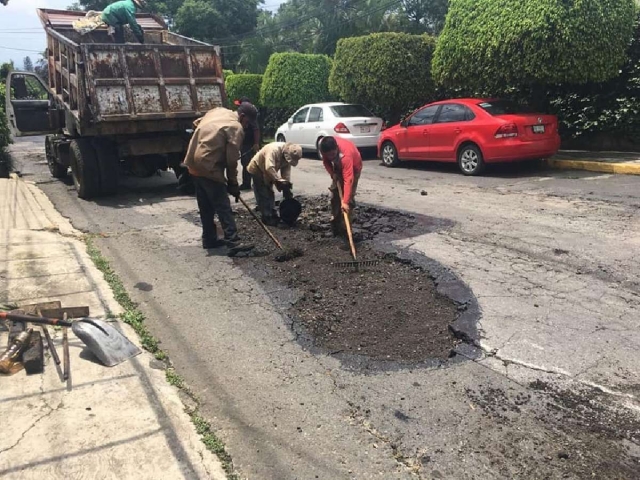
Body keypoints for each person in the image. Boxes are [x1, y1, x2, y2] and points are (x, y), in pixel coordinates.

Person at [183, 103, 259, 249]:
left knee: (205, 205)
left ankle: (209, 239)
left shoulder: (218, 111)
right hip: (208, 166)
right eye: (248, 122)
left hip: (193, 163)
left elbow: (196, 123)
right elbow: (231, 161)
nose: (247, 126)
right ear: (242, 116)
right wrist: (233, 184)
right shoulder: (236, 128)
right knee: (222, 204)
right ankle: (233, 239)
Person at [247, 142, 302, 226]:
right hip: (258, 168)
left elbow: (286, 172)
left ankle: (272, 213)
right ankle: (267, 217)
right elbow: (269, 167)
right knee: (263, 193)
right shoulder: (274, 150)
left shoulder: (286, 157)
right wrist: (278, 180)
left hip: (268, 171)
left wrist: (286, 186)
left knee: (270, 192)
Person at [318, 136, 363, 236]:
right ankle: (335, 225)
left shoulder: (346, 156)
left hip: (353, 169)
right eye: (328, 155)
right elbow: (326, 161)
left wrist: (345, 202)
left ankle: (346, 230)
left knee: (348, 200)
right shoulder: (324, 148)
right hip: (338, 168)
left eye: (333, 154)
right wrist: (332, 173)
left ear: (336, 148)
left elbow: (348, 180)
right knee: (335, 196)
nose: (331, 157)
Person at [234, 96, 261, 190]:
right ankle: (249, 183)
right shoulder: (249, 112)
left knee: (248, 163)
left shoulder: (249, 115)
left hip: (250, 144)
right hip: (246, 143)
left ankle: (249, 184)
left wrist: (256, 144)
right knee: (246, 163)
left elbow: (256, 129)